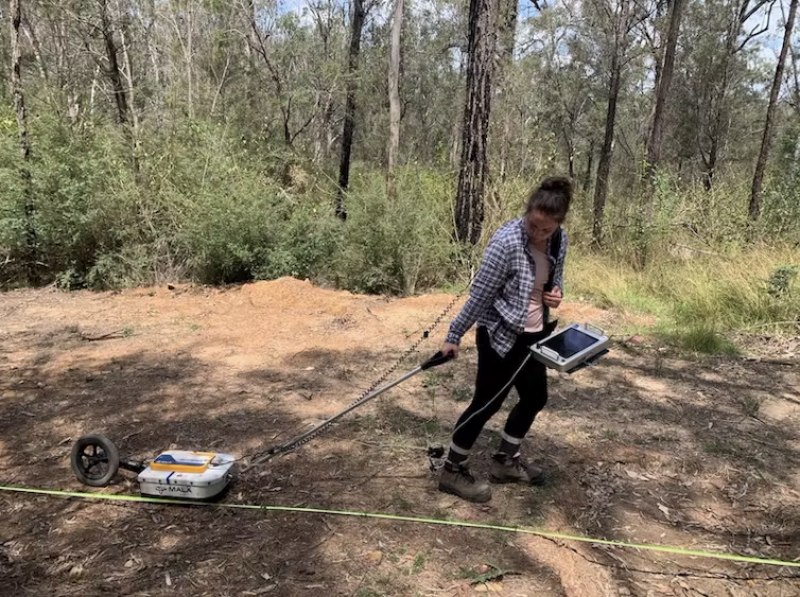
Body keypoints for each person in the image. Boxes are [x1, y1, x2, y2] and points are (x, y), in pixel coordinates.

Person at [437, 176, 572, 503]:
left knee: (535, 397)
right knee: (487, 402)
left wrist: (555, 295)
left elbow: (555, 281)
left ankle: (504, 463)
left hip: (535, 333)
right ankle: (452, 470)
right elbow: (480, 296)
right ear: (528, 212)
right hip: (500, 335)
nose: (538, 233)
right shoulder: (506, 241)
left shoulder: (559, 240)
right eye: (534, 225)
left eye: (546, 230)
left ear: (557, 225)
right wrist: (453, 335)